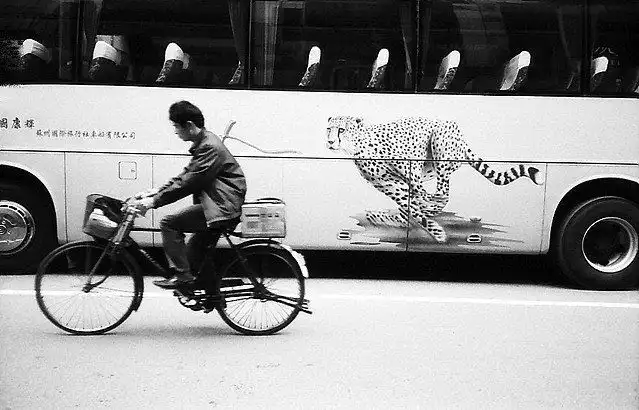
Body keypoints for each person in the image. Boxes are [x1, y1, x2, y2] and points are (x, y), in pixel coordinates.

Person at [131, 100, 247, 289]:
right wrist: (157, 191)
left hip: (222, 207)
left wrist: (154, 202)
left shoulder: (209, 147)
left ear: (190, 126)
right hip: (219, 204)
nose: (175, 131)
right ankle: (212, 296)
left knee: (169, 223)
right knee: (196, 250)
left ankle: (183, 276)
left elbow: (188, 183)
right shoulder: (205, 142)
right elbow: (185, 176)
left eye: (176, 126)